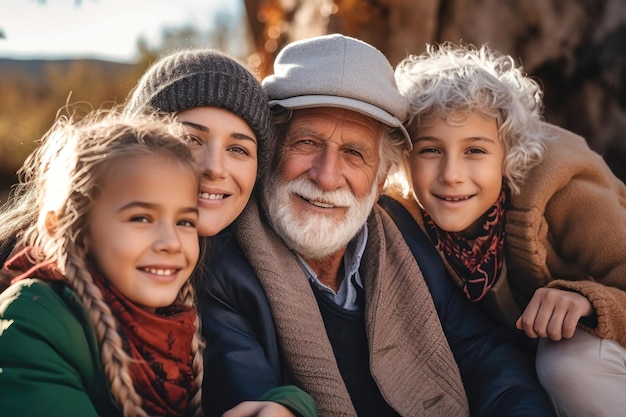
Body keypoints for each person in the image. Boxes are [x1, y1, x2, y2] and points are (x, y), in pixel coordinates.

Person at [200, 33, 555, 417]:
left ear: (382, 176)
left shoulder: (399, 229)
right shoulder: (221, 268)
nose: (327, 176)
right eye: (306, 142)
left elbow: (481, 351)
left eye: (354, 153)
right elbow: (250, 392)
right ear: (269, 149)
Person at [388, 42, 626, 416]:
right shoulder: (402, 219)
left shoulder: (565, 194)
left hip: (605, 355)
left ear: (508, 153)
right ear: (404, 156)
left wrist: (591, 301)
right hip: (515, 376)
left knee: (565, 363)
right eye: (430, 150)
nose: (451, 175)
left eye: (475, 151)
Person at [0, 111, 204, 417]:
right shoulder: (30, 320)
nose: (172, 242)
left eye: (185, 221)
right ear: (66, 227)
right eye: (141, 218)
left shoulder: (180, 323)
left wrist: (291, 403)